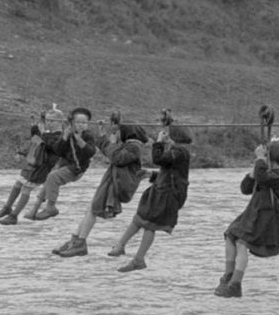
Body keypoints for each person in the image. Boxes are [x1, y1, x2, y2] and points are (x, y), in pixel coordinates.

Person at [52, 122, 149, 257]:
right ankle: (75, 240)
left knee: (93, 210)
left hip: (118, 183)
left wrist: (113, 143)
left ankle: (80, 243)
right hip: (111, 181)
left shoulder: (134, 147)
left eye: (118, 132)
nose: (116, 134)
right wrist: (103, 136)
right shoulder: (129, 146)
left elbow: (117, 158)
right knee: (90, 209)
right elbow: (110, 152)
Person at [214, 141, 279, 298]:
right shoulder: (263, 172)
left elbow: (263, 178)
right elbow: (245, 189)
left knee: (242, 244)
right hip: (253, 214)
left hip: (266, 218)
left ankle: (235, 284)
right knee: (230, 235)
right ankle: (228, 275)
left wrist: (259, 160)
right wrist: (252, 173)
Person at [113, 124, 192, 273]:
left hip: (168, 194)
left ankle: (138, 259)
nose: (165, 135)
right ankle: (120, 245)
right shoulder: (177, 151)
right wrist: (152, 175)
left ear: (175, 136)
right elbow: (170, 172)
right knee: (139, 218)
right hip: (161, 190)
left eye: (167, 134)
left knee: (151, 224)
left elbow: (158, 159)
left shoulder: (180, 151)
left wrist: (158, 143)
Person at [0, 107, 65, 225]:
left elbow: (49, 145)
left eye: (52, 121)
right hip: (33, 163)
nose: (49, 123)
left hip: (43, 167)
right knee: (18, 184)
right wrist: (34, 126)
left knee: (26, 189)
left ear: (60, 122)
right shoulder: (48, 133)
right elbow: (36, 139)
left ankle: (13, 216)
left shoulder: (60, 137)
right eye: (47, 120)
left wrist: (41, 133)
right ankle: (7, 207)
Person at [27, 107, 96, 221]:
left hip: (76, 168)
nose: (81, 125)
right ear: (72, 123)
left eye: (84, 123)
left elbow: (90, 152)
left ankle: (50, 207)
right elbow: (58, 150)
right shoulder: (67, 132)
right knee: (48, 182)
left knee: (52, 177)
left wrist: (79, 140)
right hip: (64, 164)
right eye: (78, 122)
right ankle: (35, 208)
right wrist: (65, 137)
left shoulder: (88, 135)